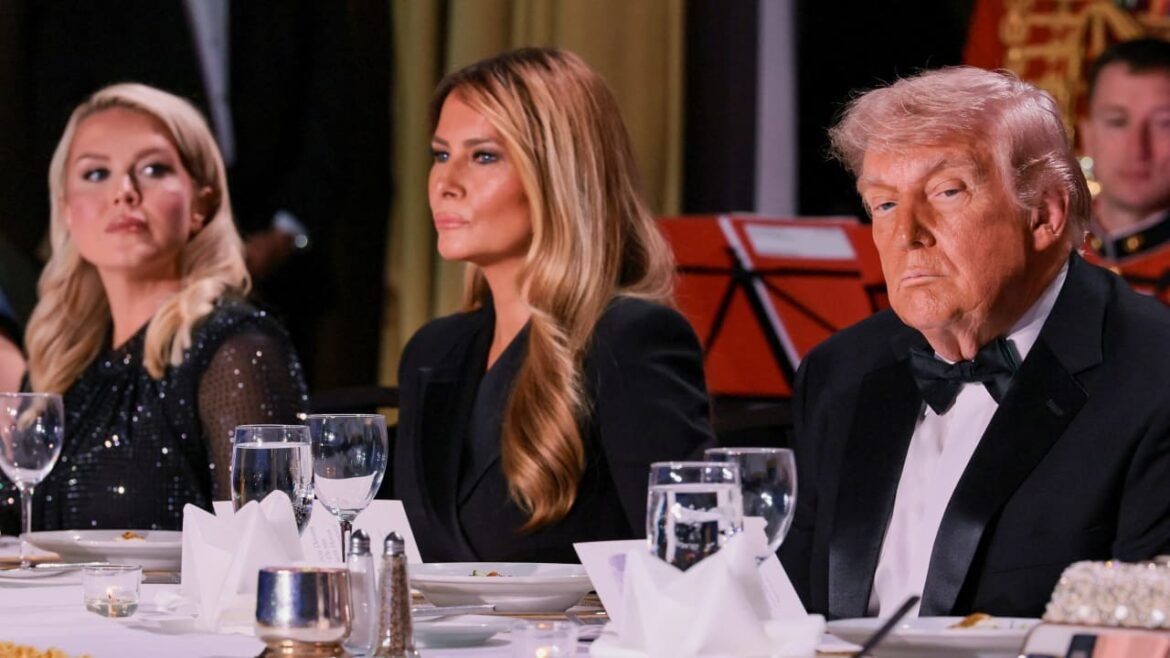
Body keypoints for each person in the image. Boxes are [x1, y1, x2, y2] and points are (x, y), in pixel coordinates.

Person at [779, 66, 1170, 619]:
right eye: (885, 204)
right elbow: (793, 616)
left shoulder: (1155, 379)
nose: (908, 233)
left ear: (1045, 214)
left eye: (946, 191)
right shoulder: (839, 371)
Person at [392, 48, 715, 563]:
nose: (445, 184)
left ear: (557, 175)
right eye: (440, 154)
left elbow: (693, 565)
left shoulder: (629, 338)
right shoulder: (433, 351)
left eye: (483, 156)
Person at [0, 83, 308, 534]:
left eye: (152, 168)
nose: (124, 191)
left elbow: (271, 557)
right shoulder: (60, 366)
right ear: (66, 209)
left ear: (201, 203)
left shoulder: (234, 348)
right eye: (95, 174)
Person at [1080, 37, 1170, 301]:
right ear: (1087, 137)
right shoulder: (1036, 253)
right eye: (1117, 122)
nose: (1136, 150)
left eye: (1164, 124)